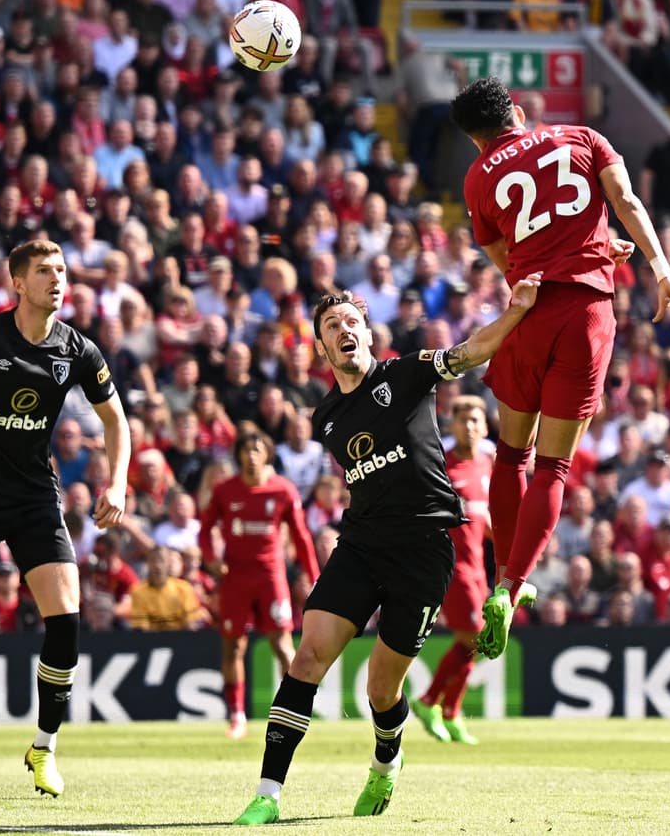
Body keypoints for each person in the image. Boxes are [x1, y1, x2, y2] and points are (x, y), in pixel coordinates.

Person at [232, 279, 542, 826]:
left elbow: (472, 351)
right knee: (308, 658)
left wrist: (516, 310)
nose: (344, 329)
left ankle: (386, 759)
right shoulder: (325, 418)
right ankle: (267, 794)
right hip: (361, 547)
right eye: (332, 327)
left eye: (351, 321)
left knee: (381, 687)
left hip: (424, 552)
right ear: (322, 350)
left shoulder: (407, 373)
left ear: (368, 332)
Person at [450, 77, 670, 660]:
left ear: (475, 140)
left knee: (510, 455)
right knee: (554, 466)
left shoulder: (479, 178)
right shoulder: (582, 137)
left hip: (527, 312)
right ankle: (511, 586)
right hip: (585, 313)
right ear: (519, 111)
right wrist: (660, 272)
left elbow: (512, 258)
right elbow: (627, 203)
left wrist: (582, 252)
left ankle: (504, 571)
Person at [0, 239, 130, 802]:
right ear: (17, 282)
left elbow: (117, 421)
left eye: (61, 270)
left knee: (66, 620)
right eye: (43, 272)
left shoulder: (78, 349)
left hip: (35, 497)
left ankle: (44, 747)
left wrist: (119, 480)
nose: (56, 279)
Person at [199, 429, 318, 741]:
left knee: (282, 644)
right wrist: (211, 559)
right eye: (246, 450)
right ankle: (237, 716)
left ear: (267, 455)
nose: (251, 456)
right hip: (235, 577)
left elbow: (302, 536)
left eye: (257, 450)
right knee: (233, 645)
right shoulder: (225, 490)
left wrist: (313, 574)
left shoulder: (282, 491)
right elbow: (205, 529)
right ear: (238, 455)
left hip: (271, 576)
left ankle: (294, 711)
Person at [409, 395, 491, 746]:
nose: (469, 426)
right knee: (475, 639)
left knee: (476, 644)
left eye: (476, 420)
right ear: (452, 426)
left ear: (485, 427)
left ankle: (451, 712)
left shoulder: (487, 466)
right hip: (453, 567)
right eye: (463, 420)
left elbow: (482, 520)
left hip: (479, 568)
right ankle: (429, 701)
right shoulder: (442, 468)